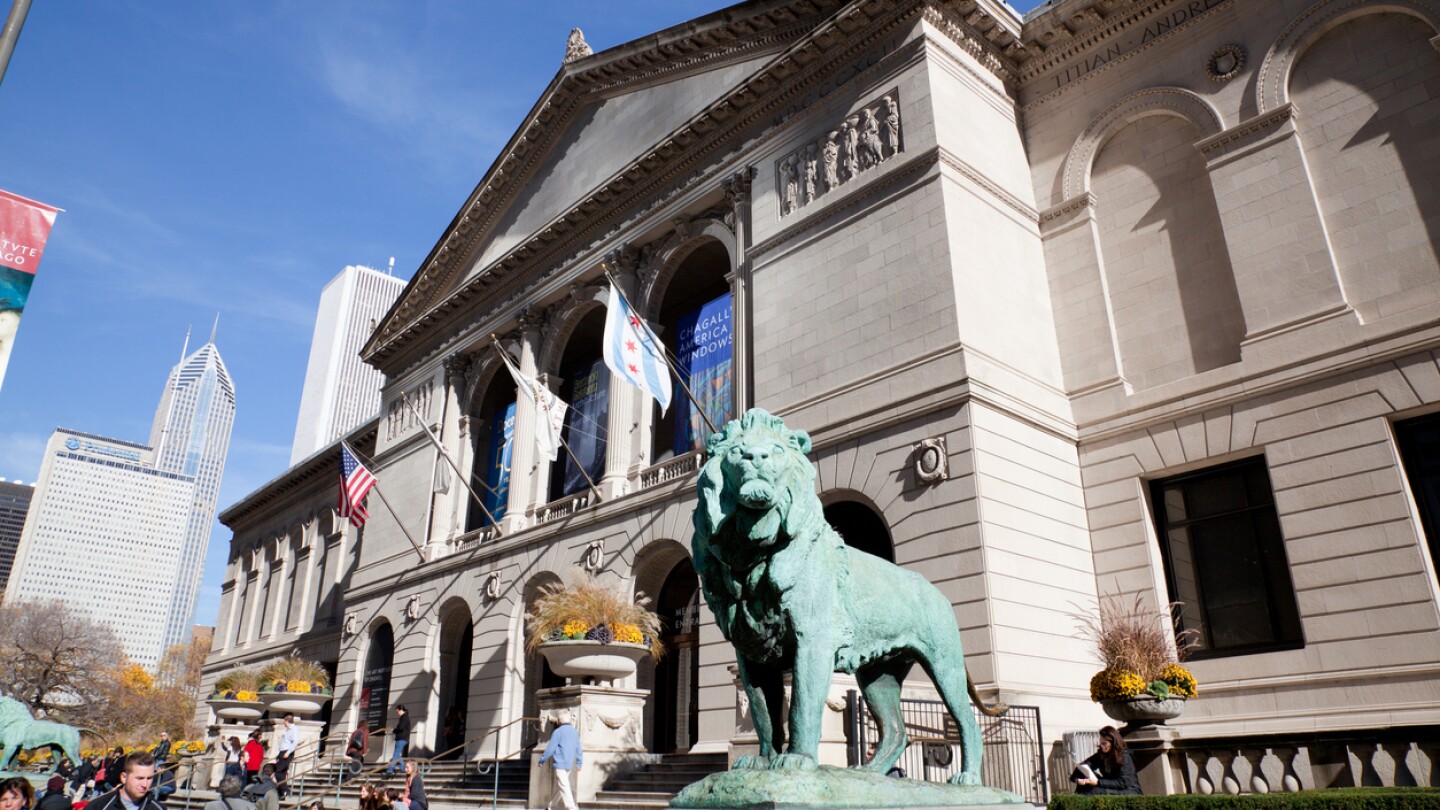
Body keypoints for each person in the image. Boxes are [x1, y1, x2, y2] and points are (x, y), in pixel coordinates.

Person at [1072, 725, 1141, 795]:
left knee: (1095, 791)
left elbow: (1123, 782)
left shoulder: (1124, 756)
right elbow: (1083, 766)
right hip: (1111, 787)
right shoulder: (1102, 754)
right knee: (1085, 785)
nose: (1102, 746)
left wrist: (1098, 782)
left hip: (1128, 790)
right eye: (1101, 743)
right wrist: (1078, 779)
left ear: (1113, 743)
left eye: (1104, 743)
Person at [84, 752, 165, 810]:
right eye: (139, 778)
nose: (145, 784)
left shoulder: (158, 808)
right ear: (124, 777)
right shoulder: (99, 806)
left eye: (149, 778)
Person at [537, 709, 582, 810]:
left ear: (559, 721)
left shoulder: (557, 732)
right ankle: (550, 806)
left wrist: (542, 760)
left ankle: (572, 807)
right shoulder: (574, 732)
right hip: (569, 763)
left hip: (560, 763)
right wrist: (579, 763)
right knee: (561, 786)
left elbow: (550, 748)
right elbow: (579, 749)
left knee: (563, 786)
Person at [273, 714, 297, 798]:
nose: (284, 723)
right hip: (282, 752)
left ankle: (285, 789)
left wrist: (288, 752)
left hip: (287, 752)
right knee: (281, 773)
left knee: (278, 772)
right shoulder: (288, 730)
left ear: (287, 721)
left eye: (284, 721)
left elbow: (294, 742)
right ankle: (282, 792)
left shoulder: (294, 729)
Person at [384, 705, 410, 775]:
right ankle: (403, 768)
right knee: (397, 755)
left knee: (395, 755)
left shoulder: (404, 717)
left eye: (397, 711)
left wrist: (394, 730)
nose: (397, 713)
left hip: (402, 738)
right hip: (402, 738)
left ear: (401, 710)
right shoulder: (404, 717)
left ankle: (390, 770)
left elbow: (401, 728)